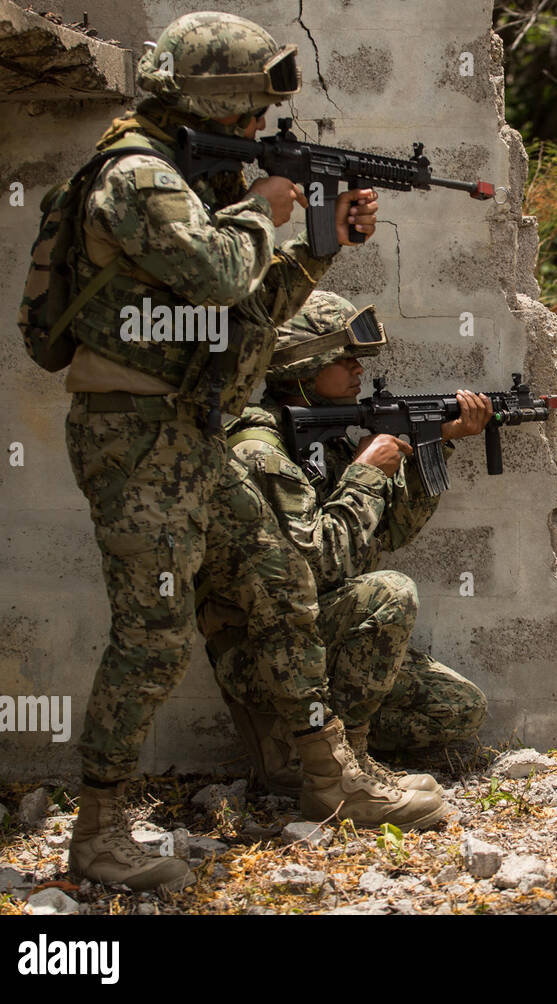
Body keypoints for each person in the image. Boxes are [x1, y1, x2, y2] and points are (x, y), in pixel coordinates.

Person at [60, 11, 423, 893]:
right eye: (252, 114)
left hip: (191, 433)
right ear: (214, 101)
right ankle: (97, 834)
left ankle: (333, 780)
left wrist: (322, 244)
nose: (260, 133)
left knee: (279, 583)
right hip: (135, 442)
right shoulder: (138, 178)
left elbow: (239, 312)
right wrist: (265, 209)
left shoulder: (183, 177)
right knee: (151, 636)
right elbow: (223, 273)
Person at [197, 291, 489, 801]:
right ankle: (330, 770)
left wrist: (434, 443)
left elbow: (391, 533)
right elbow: (318, 565)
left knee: (458, 707)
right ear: (304, 368)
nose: (357, 369)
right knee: (391, 593)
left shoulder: (322, 440)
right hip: (265, 654)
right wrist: (363, 474)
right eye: (343, 359)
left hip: (318, 639)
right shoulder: (259, 455)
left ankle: (329, 753)